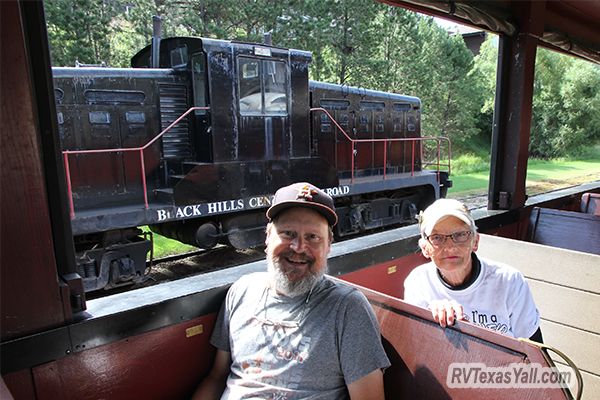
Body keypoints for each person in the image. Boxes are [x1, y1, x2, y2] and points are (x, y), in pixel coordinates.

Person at [193, 182, 390, 400]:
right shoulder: (241, 292)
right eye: (288, 233)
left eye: (313, 237)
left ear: (328, 245)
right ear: (268, 236)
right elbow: (217, 376)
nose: (298, 247)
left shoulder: (348, 309)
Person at [404, 198, 543, 342]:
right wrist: (428, 315)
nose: (450, 246)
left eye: (460, 235)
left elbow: (534, 351)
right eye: (437, 238)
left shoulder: (509, 281)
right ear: (425, 248)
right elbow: (418, 346)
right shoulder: (418, 281)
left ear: (475, 242)